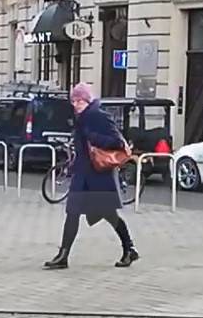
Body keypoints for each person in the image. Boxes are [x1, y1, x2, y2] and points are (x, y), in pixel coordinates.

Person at [45, 83, 138, 269]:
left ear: (88, 100)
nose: (76, 103)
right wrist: (73, 164)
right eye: (74, 100)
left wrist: (93, 137)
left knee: (109, 214)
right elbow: (82, 148)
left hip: (99, 174)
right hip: (83, 174)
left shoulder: (97, 115)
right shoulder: (81, 118)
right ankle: (63, 255)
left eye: (80, 100)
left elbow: (118, 142)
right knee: (72, 212)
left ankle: (129, 249)